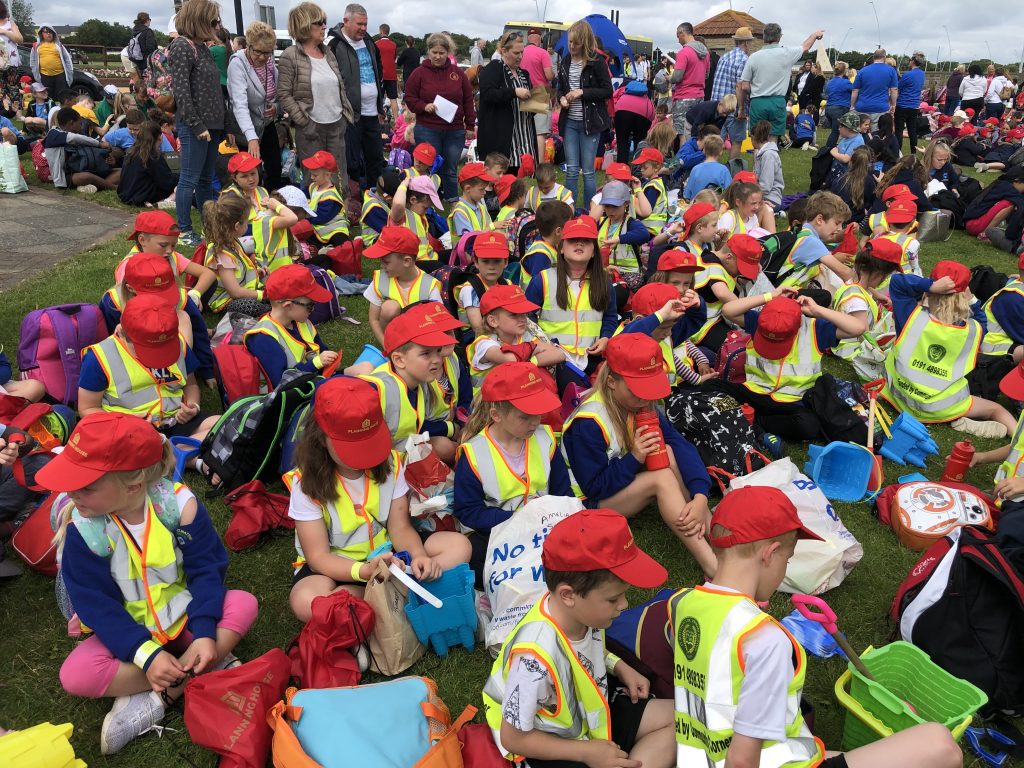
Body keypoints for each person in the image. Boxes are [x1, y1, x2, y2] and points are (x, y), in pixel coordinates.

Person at [672, 484, 963, 768]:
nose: (785, 568)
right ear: (770, 554)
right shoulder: (764, 640)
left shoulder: (681, 604)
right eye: (787, 558)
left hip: (706, 757)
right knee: (940, 743)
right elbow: (741, 761)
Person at [42, 413, 256, 755]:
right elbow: (97, 607)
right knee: (76, 673)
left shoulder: (177, 506)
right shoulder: (85, 531)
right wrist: (146, 655)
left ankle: (164, 687)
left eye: (85, 486)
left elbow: (206, 570)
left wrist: (202, 631)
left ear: (133, 485)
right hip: (124, 635)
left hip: (182, 616)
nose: (72, 493)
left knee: (243, 604)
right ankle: (199, 668)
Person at [482, 508, 675, 767]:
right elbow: (514, 738)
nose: (624, 604)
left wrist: (619, 665)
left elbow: (584, 650)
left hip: (592, 716)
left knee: (683, 720)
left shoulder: (584, 614)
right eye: (613, 598)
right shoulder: (533, 661)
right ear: (568, 595)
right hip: (549, 742)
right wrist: (587, 753)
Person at [285, 375, 469, 622]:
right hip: (341, 566)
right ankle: (385, 597)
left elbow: (400, 527)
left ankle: (371, 604)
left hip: (392, 557)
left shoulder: (392, 463)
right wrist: (363, 571)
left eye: (369, 443)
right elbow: (318, 558)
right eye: (353, 447)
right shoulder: (304, 483)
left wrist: (418, 556)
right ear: (321, 438)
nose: (365, 457)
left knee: (459, 546)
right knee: (305, 599)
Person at [561, 332, 716, 573]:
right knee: (661, 479)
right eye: (638, 389)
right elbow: (594, 487)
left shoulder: (639, 403)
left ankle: (718, 541)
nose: (646, 397)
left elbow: (679, 444)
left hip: (618, 482)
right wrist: (634, 458)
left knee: (668, 451)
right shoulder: (588, 423)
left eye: (650, 387)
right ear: (612, 381)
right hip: (587, 504)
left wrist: (700, 496)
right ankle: (713, 567)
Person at [455, 360, 569, 580]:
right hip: (495, 534)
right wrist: (516, 520)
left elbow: (562, 491)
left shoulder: (545, 439)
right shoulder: (473, 452)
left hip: (545, 527)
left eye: (539, 412)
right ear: (496, 415)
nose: (535, 422)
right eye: (525, 416)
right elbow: (468, 512)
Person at [883, 261, 1018, 438]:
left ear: (932, 290)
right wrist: (973, 300)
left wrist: (930, 285)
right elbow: (980, 318)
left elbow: (898, 282)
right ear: (964, 295)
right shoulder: (973, 330)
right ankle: (1018, 439)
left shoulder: (910, 316)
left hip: (899, 396)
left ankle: (958, 419)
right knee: (996, 410)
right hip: (942, 406)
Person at [720, 291, 865, 441]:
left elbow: (858, 328)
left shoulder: (816, 330)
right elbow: (728, 310)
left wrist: (818, 310)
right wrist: (770, 296)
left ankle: (754, 421)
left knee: (808, 425)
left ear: (800, 323)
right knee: (712, 386)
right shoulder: (763, 321)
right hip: (755, 390)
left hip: (793, 400)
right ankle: (753, 422)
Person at [78, 294, 219, 449]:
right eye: (149, 350)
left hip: (176, 420)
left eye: (165, 348)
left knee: (224, 424)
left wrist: (193, 406)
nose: (159, 356)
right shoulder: (99, 358)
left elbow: (190, 385)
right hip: (130, 430)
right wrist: (125, 421)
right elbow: (87, 408)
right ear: (123, 334)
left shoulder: (179, 344)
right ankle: (183, 452)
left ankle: (168, 453)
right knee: (123, 446)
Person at [360, 301, 463, 463]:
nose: (437, 359)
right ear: (399, 360)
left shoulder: (418, 381)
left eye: (437, 351)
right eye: (426, 353)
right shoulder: (378, 390)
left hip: (400, 452)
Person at [525, 215, 617, 373]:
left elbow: (610, 316)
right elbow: (526, 318)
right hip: (553, 362)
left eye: (587, 240)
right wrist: (539, 344)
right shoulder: (542, 279)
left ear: (594, 251)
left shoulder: (604, 281)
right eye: (573, 239)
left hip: (591, 360)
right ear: (561, 247)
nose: (579, 243)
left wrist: (605, 338)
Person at [167, 0, 225, 247]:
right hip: (195, 126)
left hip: (213, 124)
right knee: (189, 178)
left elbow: (215, 90)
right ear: (199, 20)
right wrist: (196, 124)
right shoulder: (182, 46)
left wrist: (224, 126)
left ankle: (208, 226)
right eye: (213, 21)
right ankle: (184, 230)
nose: (216, 26)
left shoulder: (203, 48)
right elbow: (181, 92)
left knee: (205, 179)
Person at [278, 2, 354, 192]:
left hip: (336, 124)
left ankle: (340, 216)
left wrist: (344, 115)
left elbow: (339, 86)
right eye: (319, 22)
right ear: (304, 25)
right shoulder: (290, 55)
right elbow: (284, 93)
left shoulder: (328, 53)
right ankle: (315, 217)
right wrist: (304, 120)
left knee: (339, 176)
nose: (324, 26)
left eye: (324, 22)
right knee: (314, 179)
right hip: (311, 127)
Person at [403, 32, 475, 203]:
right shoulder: (419, 73)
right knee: (428, 166)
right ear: (428, 52)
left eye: (441, 53)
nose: (437, 56)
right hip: (428, 128)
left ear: (448, 52)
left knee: (450, 168)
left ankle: (451, 201)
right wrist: (423, 106)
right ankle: (424, 201)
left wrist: (470, 125)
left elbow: (468, 99)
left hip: (454, 129)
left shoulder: (458, 73)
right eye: (434, 52)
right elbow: (409, 97)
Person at [242, 264, 335, 387]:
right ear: (288, 305)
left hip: (314, 382)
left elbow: (322, 349)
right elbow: (281, 383)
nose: (312, 310)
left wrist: (329, 360)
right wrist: (315, 364)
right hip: (292, 398)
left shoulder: (301, 321)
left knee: (363, 369)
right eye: (310, 305)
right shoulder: (263, 337)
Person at [465, 286, 566, 395]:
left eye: (524, 313)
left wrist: (531, 362)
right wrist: (533, 351)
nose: (522, 319)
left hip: (512, 400)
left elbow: (558, 354)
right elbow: (511, 359)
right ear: (493, 321)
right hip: (487, 406)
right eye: (514, 315)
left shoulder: (523, 336)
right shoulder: (484, 343)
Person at [556, 19, 612, 211]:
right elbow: (560, 88)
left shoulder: (596, 62)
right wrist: (562, 98)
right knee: (571, 169)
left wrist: (582, 92)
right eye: (570, 42)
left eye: (576, 43)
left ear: (585, 42)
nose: (572, 46)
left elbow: (607, 91)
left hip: (591, 123)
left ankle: (590, 212)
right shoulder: (565, 61)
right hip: (570, 120)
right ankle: (568, 211)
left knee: (588, 171)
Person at [328, 4, 386, 189]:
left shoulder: (369, 42)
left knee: (375, 158)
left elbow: (379, 70)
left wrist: (379, 103)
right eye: (359, 24)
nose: (363, 28)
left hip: (372, 113)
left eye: (366, 24)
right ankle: (354, 199)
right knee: (352, 161)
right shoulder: (334, 44)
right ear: (346, 21)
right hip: (350, 115)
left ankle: (374, 195)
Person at [737, 24, 823, 140]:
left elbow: (744, 86)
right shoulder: (787, 53)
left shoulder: (753, 57)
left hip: (758, 101)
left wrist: (742, 108)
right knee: (773, 140)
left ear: (764, 37)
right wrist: (814, 35)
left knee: (757, 141)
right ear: (780, 37)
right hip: (777, 102)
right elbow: (805, 46)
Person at [831, 238, 902, 379]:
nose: (884, 280)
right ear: (878, 274)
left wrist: (876, 295)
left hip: (851, 342)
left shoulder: (853, 285)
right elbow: (862, 329)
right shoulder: (856, 298)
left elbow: (863, 289)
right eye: (885, 276)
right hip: (850, 348)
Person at [362, 225, 442, 345]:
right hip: (394, 341)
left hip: (422, 340)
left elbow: (440, 322)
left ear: (406, 261)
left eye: (386, 262)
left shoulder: (429, 285)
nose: (381, 266)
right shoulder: (380, 279)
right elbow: (373, 319)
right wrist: (387, 347)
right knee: (390, 307)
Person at [226, 21, 281, 192]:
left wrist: (276, 107)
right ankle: (248, 208)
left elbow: (276, 93)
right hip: (245, 128)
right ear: (248, 46)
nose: (263, 57)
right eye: (258, 52)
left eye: (268, 52)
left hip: (266, 123)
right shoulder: (237, 64)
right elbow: (239, 104)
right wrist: (251, 138)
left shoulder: (269, 62)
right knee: (248, 172)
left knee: (274, 169)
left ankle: (272, 204)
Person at [115, 211, 217, 301]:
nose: (169, 251)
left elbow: (208, 274)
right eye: (163, 245)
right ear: (142, 240)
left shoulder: (173, 257)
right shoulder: (128, 266)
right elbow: (126, 299)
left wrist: (195, 294)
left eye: (173, 245)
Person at [478, 31, 536, 175]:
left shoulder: (524, 74)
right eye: (516, 53)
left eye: (522, 52)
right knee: (500, 181)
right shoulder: (493, 68)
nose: (520, 57)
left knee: (518, 182)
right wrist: (514, 92)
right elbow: (488, 94)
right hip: (502, 139)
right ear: (504, 51)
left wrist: (536, 103)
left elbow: (527, 102)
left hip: (523, 136)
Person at [203, 195, 270, 316]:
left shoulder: (231, 241)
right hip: (227, 302)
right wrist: (262, 295)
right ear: (237, 226)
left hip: (243, 293)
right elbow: (235, 292)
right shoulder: (222, 254)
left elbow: (238, 272)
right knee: (252, 306)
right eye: (247, 222)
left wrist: (257, 274)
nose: (248, 225)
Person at [597, 180, 652, 290]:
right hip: (605, 270)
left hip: (628, 273)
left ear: (626, 204)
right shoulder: (602, 222)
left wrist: (619, 239)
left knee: (614, 291)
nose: (611, 210)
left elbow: (644, 234)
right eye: (607, 206)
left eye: (615, 206)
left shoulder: (631, 223)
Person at [711, 26, 753, 161]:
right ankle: (731, 173)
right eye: (750, 42)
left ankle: (710, 174)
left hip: (717, 106)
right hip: (733, 108)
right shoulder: (744, 60)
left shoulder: (724, 57)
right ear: (746, 42)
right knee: (736, 141)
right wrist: (741, 109)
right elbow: (740, 86)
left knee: (715, 143)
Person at [117, 121, 177, 206]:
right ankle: (168, 200)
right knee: (180, 187)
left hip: (125, 194)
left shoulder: (131, 151)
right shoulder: (153, 155)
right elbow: (168, 183)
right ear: (160, 137)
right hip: (141, 197)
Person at [670, 22, 709, 144]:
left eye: (678, 35)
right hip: (700, 96)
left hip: (684, 96)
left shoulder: (684, 52)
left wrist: (669, 78)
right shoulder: (705, 53)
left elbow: (677, 76)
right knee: (695, 132)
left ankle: (684, 161)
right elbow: (706, 75)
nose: (678, 39)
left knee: (682, 134)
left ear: (682, 33)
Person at [520, 200, 573, 290]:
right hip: (537, 302)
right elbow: (540, 286)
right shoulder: (540, 255)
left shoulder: (549, 241)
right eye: (568, 226)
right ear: (558, 231)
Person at [521, 28, 556, 161]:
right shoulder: (543, 53)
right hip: (540, 93)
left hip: (523, 93)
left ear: (528, 38)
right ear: (540, 38)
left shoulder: (520, 52)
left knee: (524, 132)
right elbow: (549, 75)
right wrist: (553, 74)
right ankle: (539, 165)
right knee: (539, 133)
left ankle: (525, 164)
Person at [851, 49, 898, 130]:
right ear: (884, 57)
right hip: (880, 107)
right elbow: (894, 90)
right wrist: (893, 104)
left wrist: (852, 105)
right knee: (876, 134)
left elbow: (855, 90)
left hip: (862, 106)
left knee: (861, 132)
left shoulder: (862, 70)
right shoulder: (891, 71)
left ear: (873, 57)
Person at [613, 80, 655, 164]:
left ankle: (621, 167)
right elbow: (652, 113)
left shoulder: (622, 90)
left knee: (622, 141)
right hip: (644, 113)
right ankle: (638, 167)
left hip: (622, 110)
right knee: (640, 142)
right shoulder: (645, 95)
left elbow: (612, 101)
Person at [449, 161, 496, 236]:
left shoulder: (481, 207)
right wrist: (493, 226)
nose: (484, 192)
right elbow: (469, 241)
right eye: (481, 189)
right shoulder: (460, 212)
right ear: (468, 188)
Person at [894, 52, 926, 153]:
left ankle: (898, 152)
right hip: (914, 106)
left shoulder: (907, 74)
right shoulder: (922, 74)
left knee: (899, 130)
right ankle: (913, 152)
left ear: (912, 61)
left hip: (902, 105)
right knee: (912, 130)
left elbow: (898, 88)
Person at [683, 134, 732, 200]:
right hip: (715, 207)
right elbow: (729, 194)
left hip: (697, 205)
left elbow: (687, 194)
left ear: (704, 150)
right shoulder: (724, 170)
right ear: (721, 152)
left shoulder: (696, 169)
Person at [751, 120, 784, 213]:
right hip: (763, 195)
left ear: (754, 138)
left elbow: (765, 186)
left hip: (771, 198)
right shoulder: (763, 153)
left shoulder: (768, 155)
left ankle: (773, 212)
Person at [30, 25, 73, 95]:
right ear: (41, 34)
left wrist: (70, 73)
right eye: (46, 32)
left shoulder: (59, 45)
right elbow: (32, 61)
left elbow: (67, 59)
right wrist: (35, 74)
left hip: (60, 75)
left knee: (63, 95)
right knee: (47, 96)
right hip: (44, 76)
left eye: (50, 32)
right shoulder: (36, 46)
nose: (49, 34)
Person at [823, 61, 854, 147]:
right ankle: (829, 150)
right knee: (836, 132)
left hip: (829, 108)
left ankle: (833, 148)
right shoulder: (845, 82)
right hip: (840, 108)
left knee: (834, 131)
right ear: (844, 71)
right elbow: (855, 90)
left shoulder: (830, 82)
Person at [375, 23, 398, 124]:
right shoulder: (393, 45)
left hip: (381, 75)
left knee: (379, 99)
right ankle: (397, 120)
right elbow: (394, 58)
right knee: (393, 98)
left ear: (380, 32)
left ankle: (379, 120)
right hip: (392, 75)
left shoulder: (376, 44)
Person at [128, 13, 157, 77]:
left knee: (142, 80)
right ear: (147, 20)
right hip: (146, 61)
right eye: (149, 19)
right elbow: (150, 47)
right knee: (149, 80)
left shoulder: (134, 31)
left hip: (137, 59)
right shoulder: (148, 31)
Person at [0, 1, 23, 73]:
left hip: (11, 64)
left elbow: (20, 40)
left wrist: (5, 32)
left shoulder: (10, 22)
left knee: (10, 84)